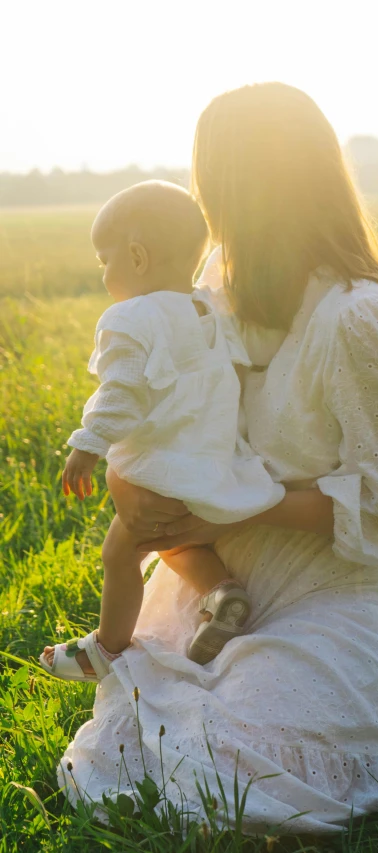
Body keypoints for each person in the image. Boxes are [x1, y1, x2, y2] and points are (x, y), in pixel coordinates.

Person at [56, 83, 378, 835]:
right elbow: (162, 414)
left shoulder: (356, 316)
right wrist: (129, 482)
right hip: (217, 573)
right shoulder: (212, 289)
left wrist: (243, 502)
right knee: (141, 749)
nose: (203, 209)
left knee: (233, 769)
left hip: (339, 591)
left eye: (210, 186)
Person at [39, 180, 285, 675]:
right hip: (216, 466)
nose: (104, 273)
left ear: (136, 255)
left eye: (104, 260)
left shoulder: (130, 318)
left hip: (164, 469)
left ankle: (105, 651)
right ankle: (223, 593)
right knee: (179, 543)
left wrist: (88, 446)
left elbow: (121, 393)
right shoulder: (208, 310)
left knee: (120, 551)